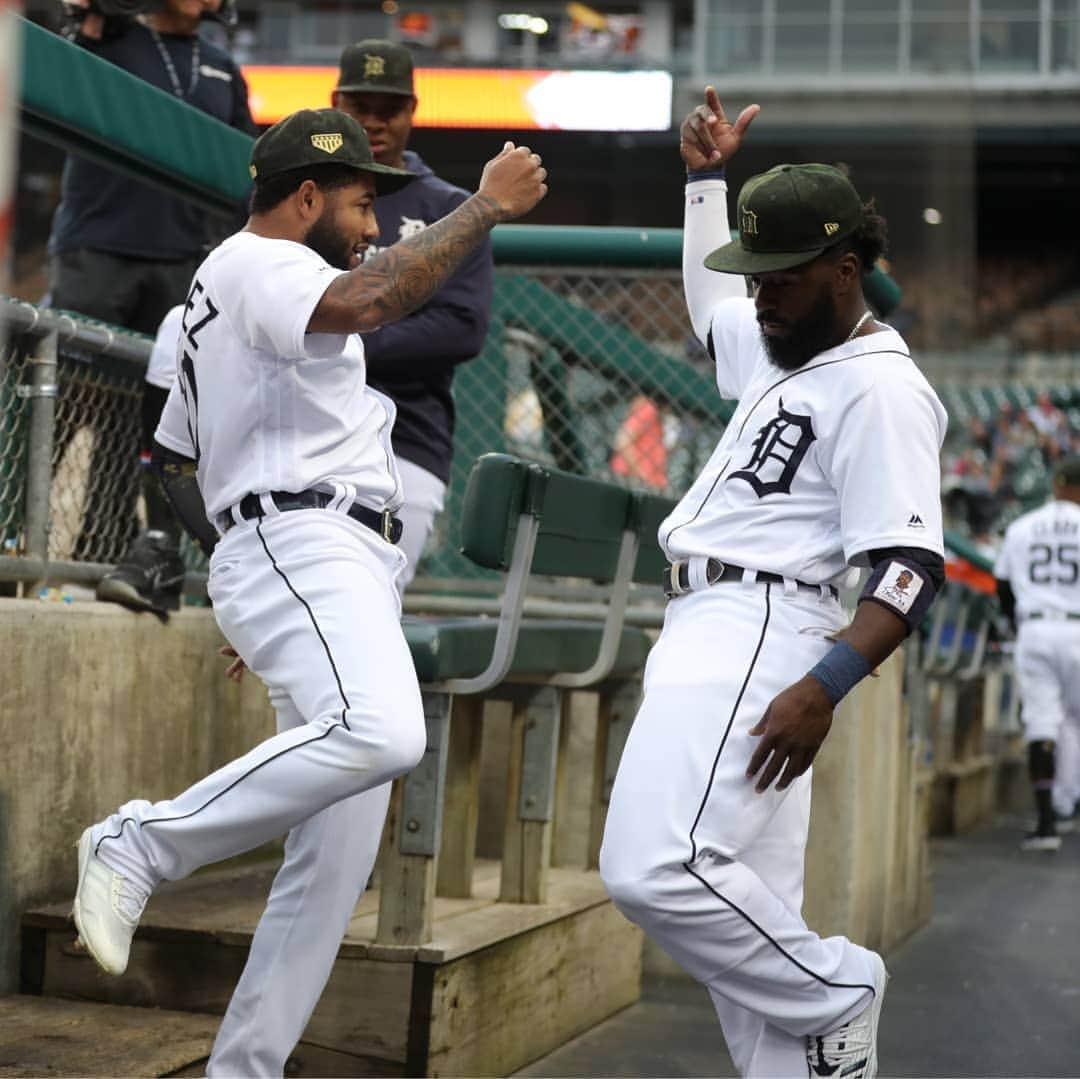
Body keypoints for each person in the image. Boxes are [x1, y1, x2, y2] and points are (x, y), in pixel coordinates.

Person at [71, 107, 546, 1076]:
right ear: (304, 197)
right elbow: (375, 300)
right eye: (363, 203)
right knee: (385, 733)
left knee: (330, 867)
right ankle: (139, 843)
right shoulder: (261, 261)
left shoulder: (244, 281)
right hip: (303, 536)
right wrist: (485, 208)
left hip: (320, 556)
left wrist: (274, 600)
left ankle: (243, 1067)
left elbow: (203, 455)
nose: (374, 226)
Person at [598, 87, 947, 1079]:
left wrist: (823, 686)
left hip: (762, 626)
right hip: (714, 620)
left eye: (781, 279)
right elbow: (713, 309)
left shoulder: (882, 387)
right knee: (750, 929)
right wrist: (705, 183)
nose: (760, 295)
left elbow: (911, 569)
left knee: (651, 867)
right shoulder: (790, 340)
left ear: (845, 270)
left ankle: (839, 985)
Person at [47, 0, 254, 611]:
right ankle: (13, 539)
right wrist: (85, 22)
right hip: (98, 244)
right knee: (60, 395)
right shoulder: (108, 37)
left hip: (181, 257)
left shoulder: (221, 68)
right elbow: (61, 79)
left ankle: (105, 552)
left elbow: (243, 169)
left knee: (143, 419)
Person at [330, 39, 494, 588]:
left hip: (404, 440)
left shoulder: (446, 208)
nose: (374, 123)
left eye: (389, 110)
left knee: (369, 604)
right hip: (299, 433)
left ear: (412, 112)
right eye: (360, 109)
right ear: (336, 105)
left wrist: (337, 334)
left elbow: (461, 327)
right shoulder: (305, 196)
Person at [993, 455, 1080, 851]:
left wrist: (1017, 624)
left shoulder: (1023, 526)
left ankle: (1046, 823)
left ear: (1057, 484)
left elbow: (1003, 587)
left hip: (1038, 627)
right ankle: (1069, 807)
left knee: (1043, 723)